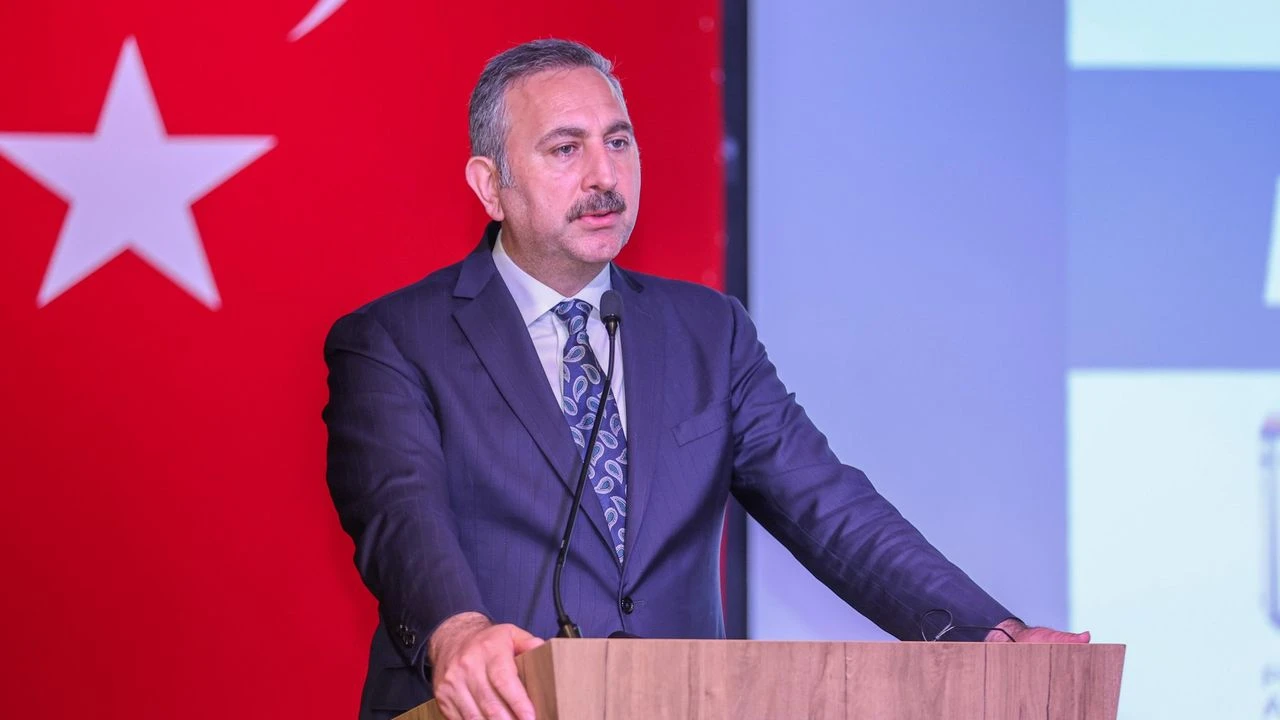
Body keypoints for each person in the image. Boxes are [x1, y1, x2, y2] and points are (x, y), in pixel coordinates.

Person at [322, 38, 1088, 720]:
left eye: (619, 141)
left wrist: (991, 632)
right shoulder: (395, 340)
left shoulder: (706, 331)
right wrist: (458, 632)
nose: (604, 175)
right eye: (565, 149)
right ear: (491, 185)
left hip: (681, 703)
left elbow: (827, 505)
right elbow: (400, 515)